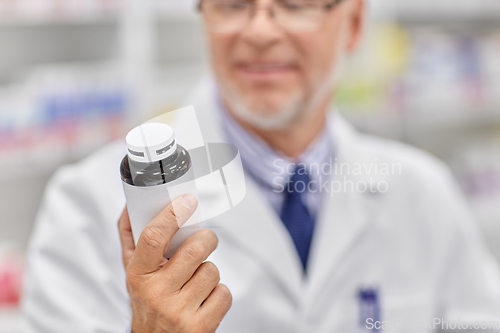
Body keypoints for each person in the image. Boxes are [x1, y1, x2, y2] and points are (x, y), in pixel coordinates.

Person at [21, 0, 500, 332]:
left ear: (354, 22)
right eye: (232, 3)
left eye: (295, 4)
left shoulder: (424, 193)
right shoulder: (85, 204)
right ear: (204, 17)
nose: (261, 30)